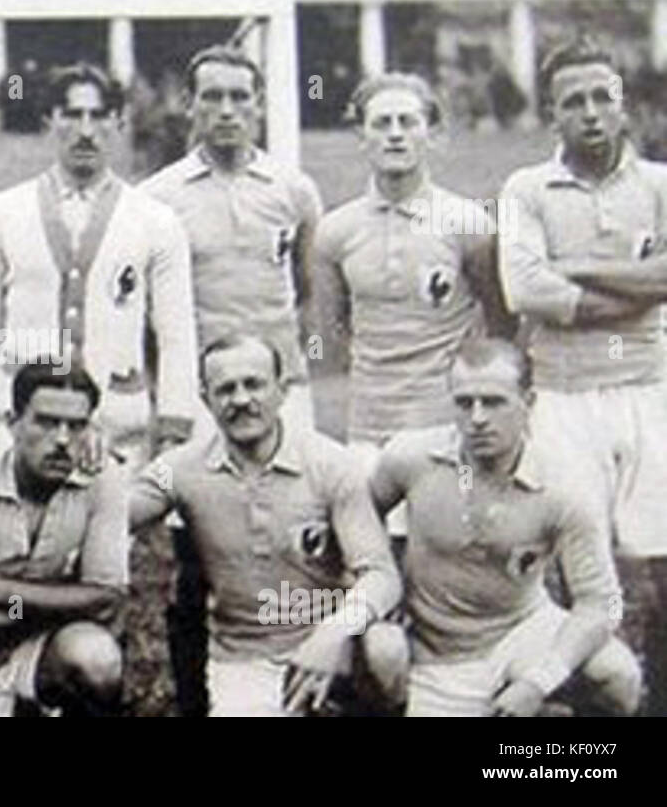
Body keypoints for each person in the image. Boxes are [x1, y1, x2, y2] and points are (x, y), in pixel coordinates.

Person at [139, 44, 323, 716]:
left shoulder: (293, 190)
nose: (225, 110)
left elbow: (303, 293)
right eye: (210, 96)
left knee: (296, 540)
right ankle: (199, 699)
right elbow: (148, 316)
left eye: (239, 97)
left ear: (259, 104)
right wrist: (172, 399)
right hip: (202, 398)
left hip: (280, 392)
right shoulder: (157, 198)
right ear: (189, 105)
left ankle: (294, 682)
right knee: (198, 554)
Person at [498, 38, 667, 715]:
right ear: (552, 114)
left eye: (603, 97)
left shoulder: (660, 183)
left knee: (662, 562)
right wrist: (643, 287)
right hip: (564, 397)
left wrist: (573, 266)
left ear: (624, 104)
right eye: (574, 101)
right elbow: (525, 289)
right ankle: (578, 721)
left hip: (651, 389)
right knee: (574, 567)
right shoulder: (526, 188)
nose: (591, 113)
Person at [129, 334, 403, 716]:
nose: (241, 400)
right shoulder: (179, 469)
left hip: (335, 644)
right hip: (246, 657)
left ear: (282, 390)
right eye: (225, 389)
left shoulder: (331, 464)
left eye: (253, 384)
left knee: (387, 648)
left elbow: (381, 576)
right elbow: (114, 512)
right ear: (206, 400)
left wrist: (331, 635)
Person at [369, 338, 641, 716]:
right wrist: (378, 586)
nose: (478, 418)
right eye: (464, 403)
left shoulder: (565, 485)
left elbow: (599, 602)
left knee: (618, 673)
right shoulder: (410, 458)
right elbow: (355, 520)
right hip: (428, 641)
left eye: (494, 402)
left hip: (519, 629)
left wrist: (538, 682)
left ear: (528, 403)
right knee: (382, 649)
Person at [0, 62, 198, 474]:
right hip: (19, 425)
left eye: (99, 115)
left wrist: (172, 431)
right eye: (72, 115)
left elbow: (176, 337)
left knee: (107, 536)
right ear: (50, 120)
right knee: (12, 535)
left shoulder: (156, 220)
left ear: (118, 121)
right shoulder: (1, 212)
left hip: (115, 425)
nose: (86, 130)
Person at [310, 72, 514, 539]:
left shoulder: (469, 223)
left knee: (449, 547)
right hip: (369, 424)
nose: (396, 133)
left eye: (409, 121)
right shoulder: (335, 230)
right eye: (381, 123)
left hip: (445, 423)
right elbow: (328, 334)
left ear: (432, 133)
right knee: (372, 551)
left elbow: (501, 327)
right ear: (361, 135)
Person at [0, 361, 128, 716]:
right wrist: (55, 603)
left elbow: (107, 597)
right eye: (46, 422)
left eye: (76, 426)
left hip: (40, 644)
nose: (63, 440)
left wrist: (9, 594)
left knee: (97, 659)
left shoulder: (103, 481)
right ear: (13, 422)